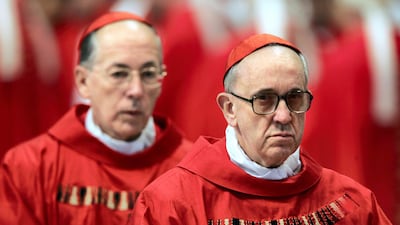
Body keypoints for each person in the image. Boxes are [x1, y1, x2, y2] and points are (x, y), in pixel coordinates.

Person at [129, 33, 392, 224]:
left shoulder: (351, 204)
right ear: (230, 109)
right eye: (264, 100)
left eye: (294, 98)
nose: (283, 115)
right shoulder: (173, 204)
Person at [0, 11, 192, 225]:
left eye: (148, 74)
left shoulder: (191, 169)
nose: (136, 90)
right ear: (83, 81)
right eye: (119, 74)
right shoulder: (31, 167)